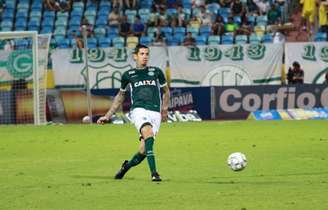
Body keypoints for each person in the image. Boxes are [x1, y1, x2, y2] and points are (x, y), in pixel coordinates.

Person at [97, 44, 170, 182]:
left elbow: (166, 91)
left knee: (143, 150)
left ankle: (126, 166)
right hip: (138, 110)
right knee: (148, 133)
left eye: (147, 54)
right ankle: (154, 173)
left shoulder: (156, 72)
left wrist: (164, 110)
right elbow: (120, 96)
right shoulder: (128, 75)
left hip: (155, 113)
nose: (145, 57)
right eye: (142, 54)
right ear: (135, 56)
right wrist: (107, 116)